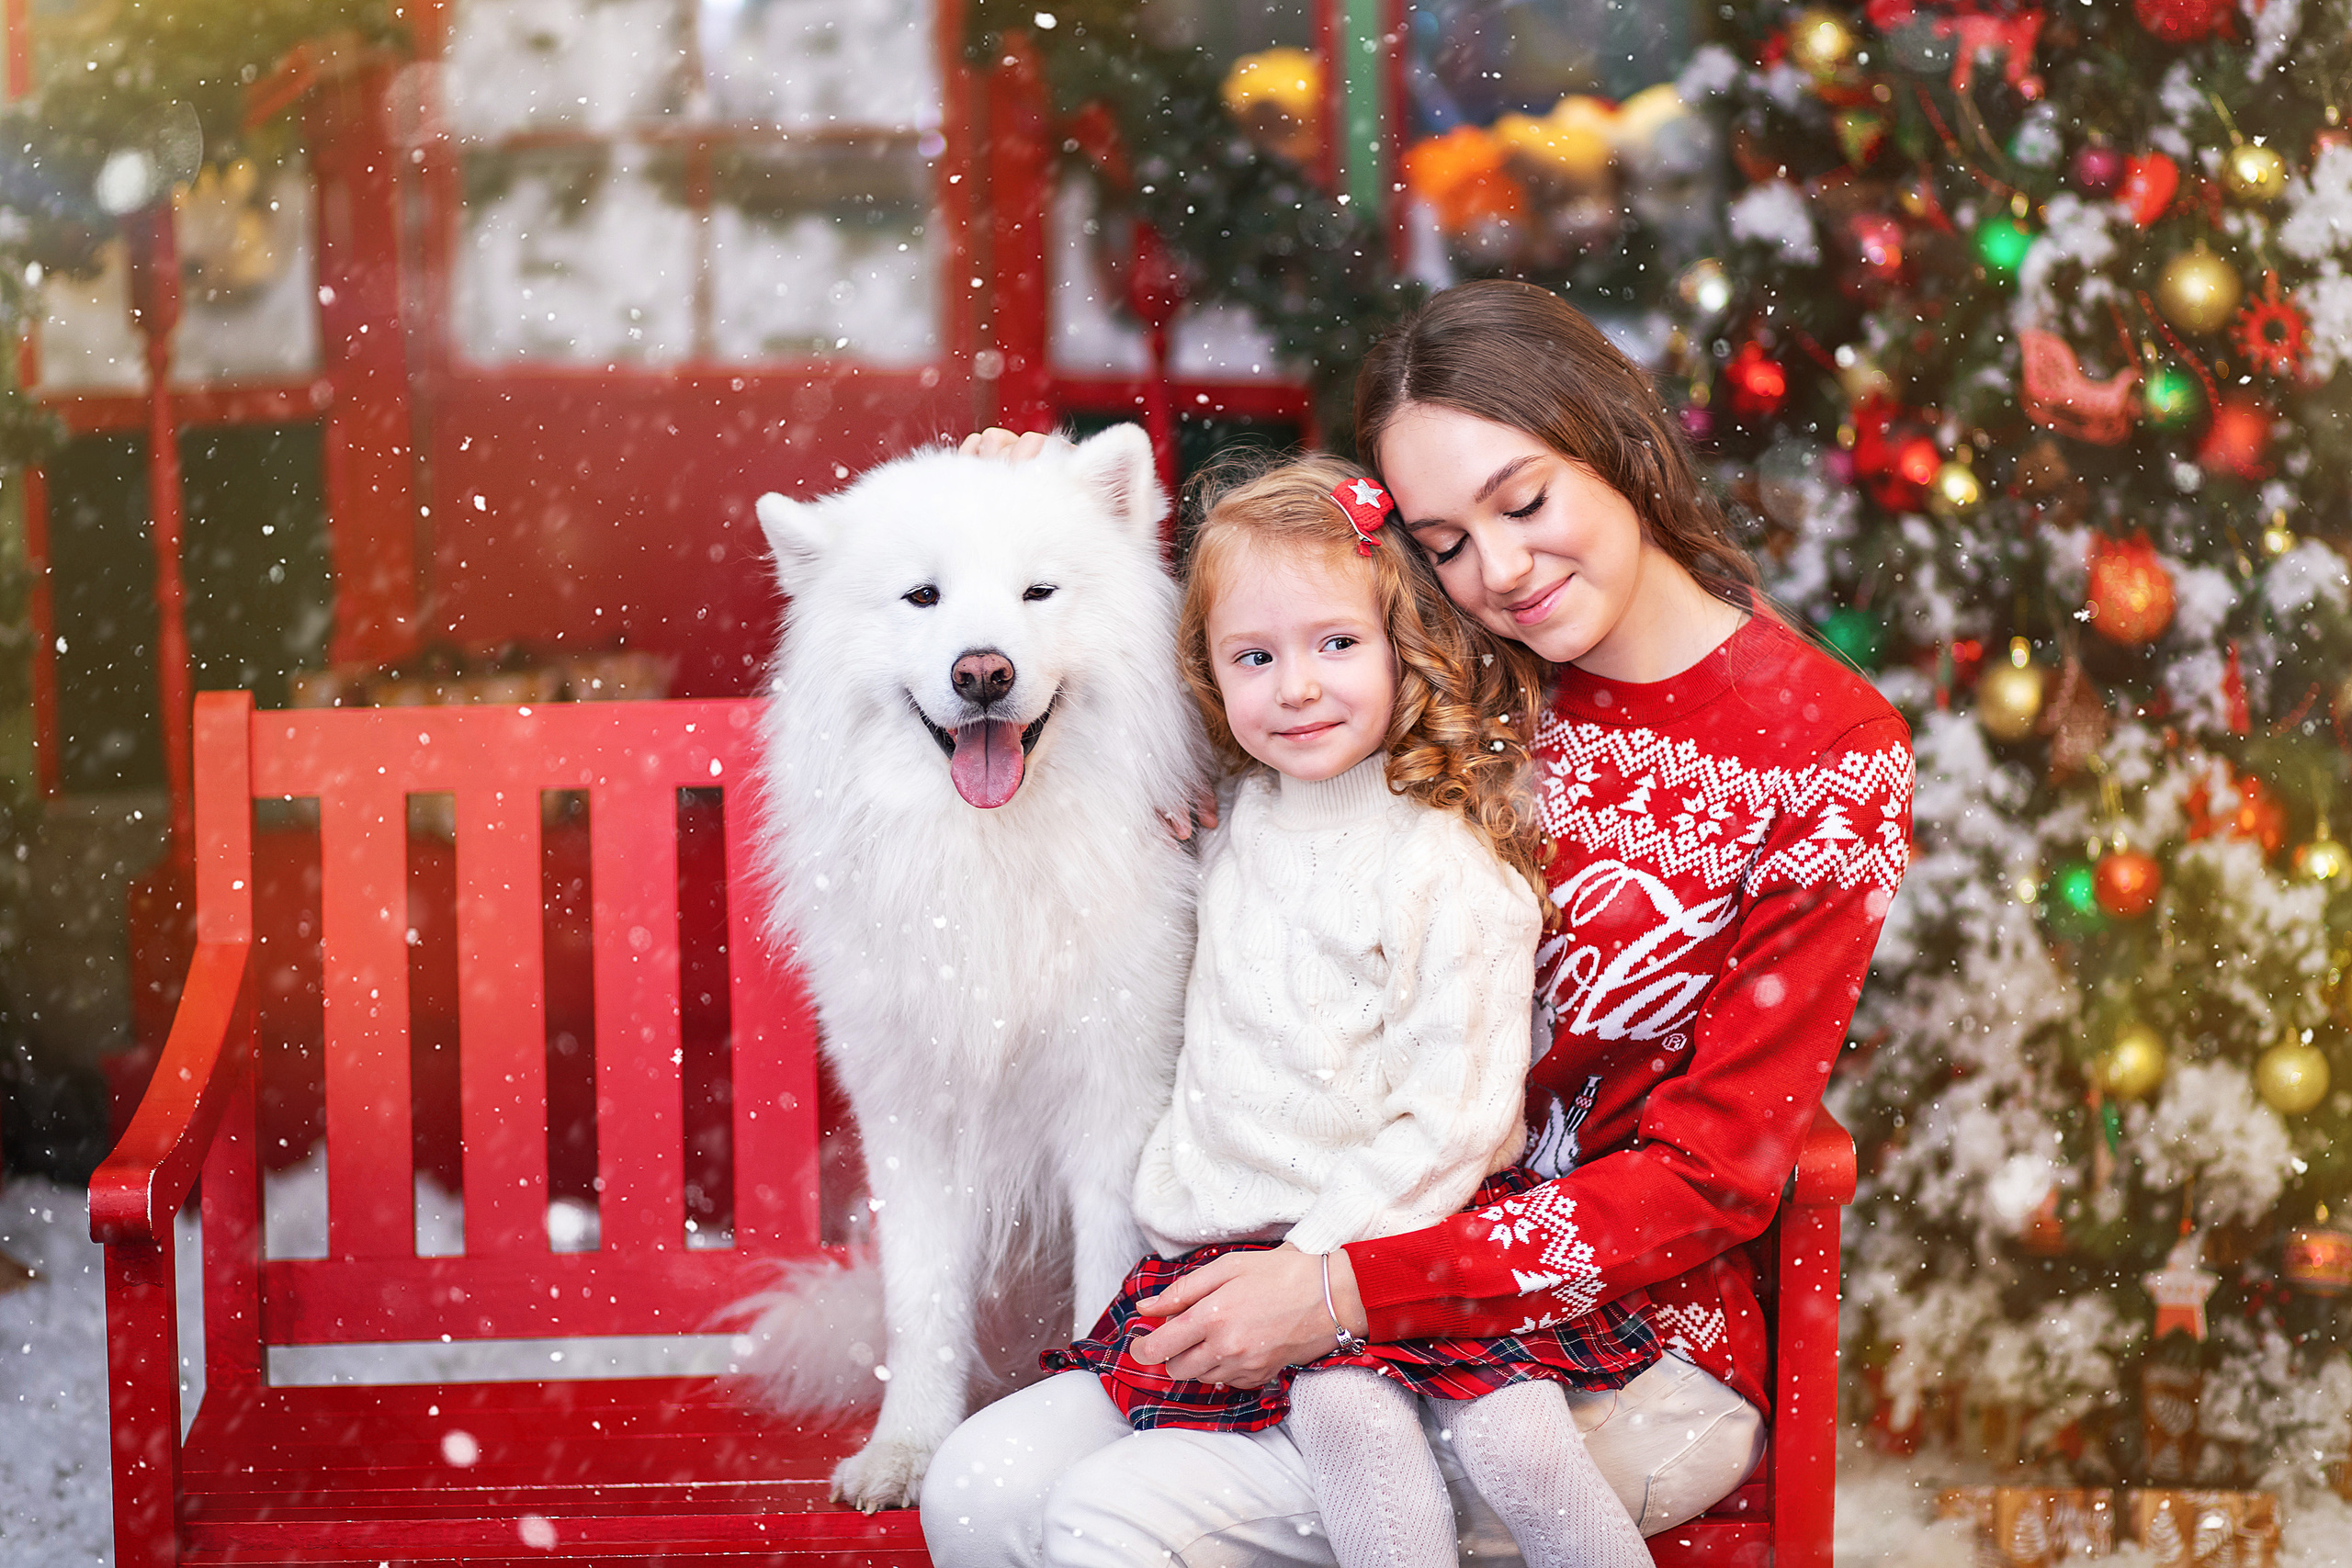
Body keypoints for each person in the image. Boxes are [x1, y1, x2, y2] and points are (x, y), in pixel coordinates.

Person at [922, 279, 1914, 1567]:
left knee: (1106, 1517)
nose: (1500, 570)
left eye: (1526, 501)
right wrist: (1027, 530)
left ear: (1617, 439)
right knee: (979, 1489)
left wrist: (1343, 1289)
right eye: (1443, 540)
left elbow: (1711, 1170)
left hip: (1606, 1349)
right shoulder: (1445, 660)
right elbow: (1239, 643)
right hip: (1306, 1243)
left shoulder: (1822, 752)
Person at [1024, 451, 1658, 1568]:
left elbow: (1457, 1118)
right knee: (1345, 1418)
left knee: (1519, 1443)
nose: (1297, 688)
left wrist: (1320, 1265)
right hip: (1254, 1239)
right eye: (1254, 657)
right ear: (1210, 674)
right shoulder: (1233, 826)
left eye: (1335, 644)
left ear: (1401, 647)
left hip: (1410, 1229)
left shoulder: (1441, 864)